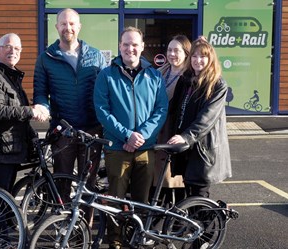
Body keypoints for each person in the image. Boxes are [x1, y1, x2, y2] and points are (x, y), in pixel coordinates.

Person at [94, 26, 168, 249]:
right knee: (116, 200)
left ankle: (137, 239)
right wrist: (127, 135)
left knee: (141, 201)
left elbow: (161, 109)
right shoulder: (106, 75)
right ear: (120, 46)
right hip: (117, 148)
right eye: (126, 44)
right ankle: (115, 241)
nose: (130, 49)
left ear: (142, 46)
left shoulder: (154, 75)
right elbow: (102, 110)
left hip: (146, 148)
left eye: (135, 44)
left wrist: (142, 136)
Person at [33, 8, 107, 224]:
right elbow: (39, 90)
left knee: (89, 183)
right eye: (63, 24)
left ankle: (85, 225)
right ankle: (63, 226)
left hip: (91, 129)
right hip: (62, 130)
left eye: (72, 23)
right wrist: (42, 106)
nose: (68, 28)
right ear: (56, 27)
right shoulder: (46, 58)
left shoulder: (95, 55)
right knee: (62, 181)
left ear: (79, 26)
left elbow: (105, 90)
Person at [0, 33, 47, 194]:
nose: (12, 51)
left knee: (5, 204)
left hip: (9, 151)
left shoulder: (11, 77)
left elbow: (19, 119)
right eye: (8, 47)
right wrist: (31, 111)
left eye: (17, 48)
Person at [167, 36, 232, 198]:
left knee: (199, 194)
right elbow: (173, 109)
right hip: (185, 146)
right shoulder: (186, 80)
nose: (198, 60)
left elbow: (207, 118)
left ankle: (207, 221)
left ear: (210, 59)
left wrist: (186, 137)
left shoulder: (217, 84)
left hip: (202, 147)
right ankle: (186, 223)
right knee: (186, 192)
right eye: (194, 56)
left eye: (203, 56)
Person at [152, 35, 191, 207]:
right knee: (157, 173)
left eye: (177, 50)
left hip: (173, 129)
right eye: (169, 50)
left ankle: (176, 214)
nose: (172, 54)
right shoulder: (161, 72)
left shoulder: (189, 76)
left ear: (186, 53)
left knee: (172, 177)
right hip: (157, 128)